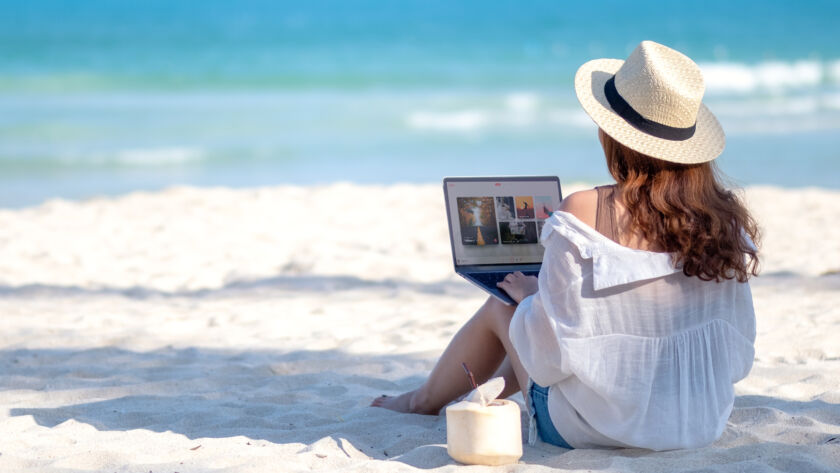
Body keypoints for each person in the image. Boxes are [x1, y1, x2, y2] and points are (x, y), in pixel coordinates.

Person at [372, 40, 759, 451]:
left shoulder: (583, 210)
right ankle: (469, 393)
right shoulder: (724, 217)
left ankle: (421, 401)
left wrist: (528, 300)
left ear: (612, 133)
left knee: (503, 306)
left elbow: (547, 361)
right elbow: (738, 356)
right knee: (533, 311)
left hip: (594, 429)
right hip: (699, 422)